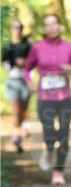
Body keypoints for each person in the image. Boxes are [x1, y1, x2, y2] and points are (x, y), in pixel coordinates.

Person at [23, 13, 71, 185]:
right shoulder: (37, 47)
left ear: (60, 26)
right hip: (45, 97)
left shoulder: (70, 48)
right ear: (44, 28)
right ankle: (48, 149)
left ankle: (58, 172)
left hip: (64, 98)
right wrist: (29, 82)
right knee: (50, 133)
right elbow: (26, 69)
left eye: (54, 23)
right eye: (47, 24)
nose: (51, 27)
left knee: (63, 135)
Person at [2, 19, 31, 151]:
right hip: (12, 81)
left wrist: (25, 63)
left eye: (19, 27)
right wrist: (14, 63)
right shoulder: (7, 47)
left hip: (25, 80)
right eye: (14, 27)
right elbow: (4, 64)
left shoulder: (27, 46)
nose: (16, 30)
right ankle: (16, 136)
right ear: (11, 29)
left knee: (23, 111)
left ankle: (21, 130)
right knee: (15, 111)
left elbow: (33, 62)